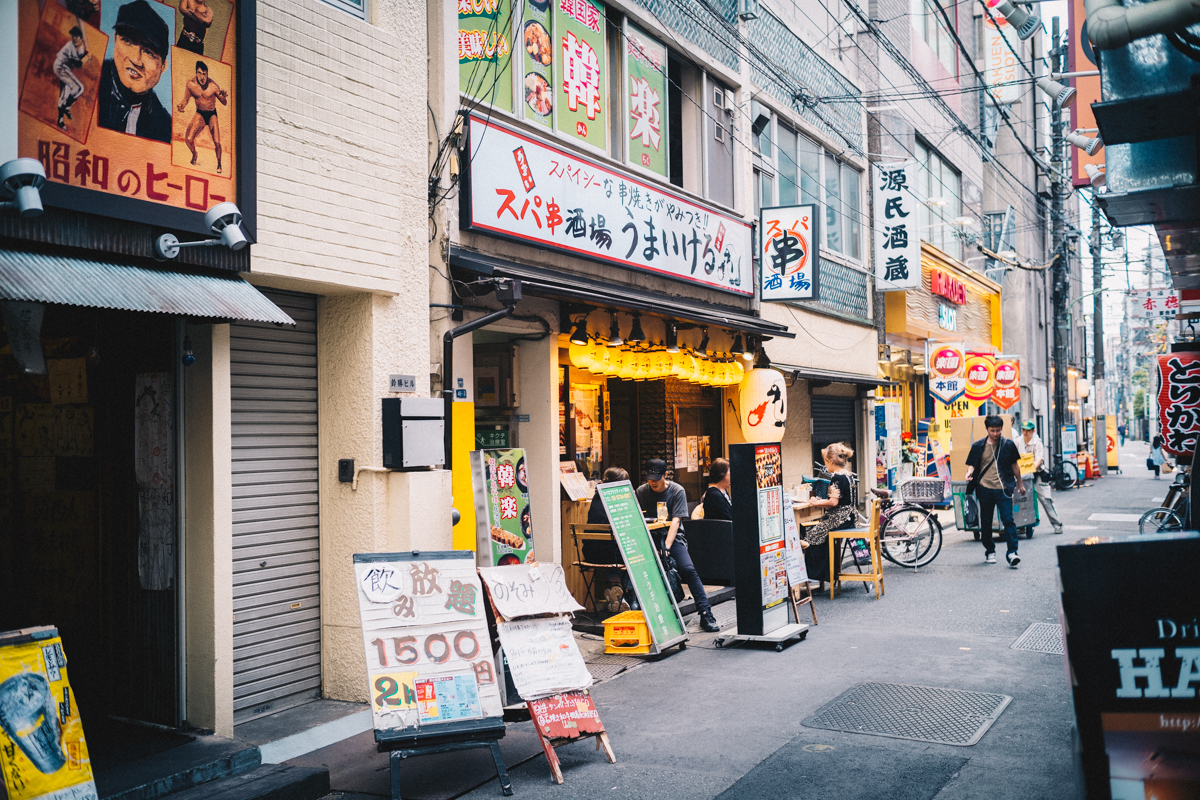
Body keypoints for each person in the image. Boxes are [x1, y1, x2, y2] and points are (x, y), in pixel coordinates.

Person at [635, 458, 719, 632]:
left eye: (656, 478)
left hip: (671, 537)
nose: (652, 482)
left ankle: (705, 613)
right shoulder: (641, 491)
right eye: (649, 478)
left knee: (688, 569)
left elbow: (676, 521)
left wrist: (666, 547)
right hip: (649, 538)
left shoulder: (676, 491)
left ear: (665, 475)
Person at [97, 0, 171, 142]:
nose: (136, 60)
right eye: (127, 42)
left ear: (163, 67)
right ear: (115, 40)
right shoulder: (89, 85)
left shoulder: (164, 126)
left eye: (149, 52)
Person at [965, 416, 1027, 567]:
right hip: (984, 488)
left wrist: (1020, 484)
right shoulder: (978, 446)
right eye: (992, 430)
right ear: (987, 430)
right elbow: (972, 464)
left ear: (1002, 429)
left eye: (998, 430)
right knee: (985, 522)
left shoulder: (1009, 445)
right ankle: (990, 551)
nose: (995, 433)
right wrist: (969, 472)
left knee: (1008, 520)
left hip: (1003, 489)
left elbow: (1015, 466)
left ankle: (1012, 553)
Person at [803, 443, 858, 589]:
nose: (825, 465)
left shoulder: (836, 477)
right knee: (821, 533)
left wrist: (816, 502)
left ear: (831, 461)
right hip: (850, 518)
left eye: (825, 461)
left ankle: (815, 576)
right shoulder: (848, 475)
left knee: (811, 535)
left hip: (839, 518)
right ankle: (827, 574)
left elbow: (833, 502)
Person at [585, 466, 634, 612]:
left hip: (590, 553)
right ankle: (624, 591)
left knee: (617, 550)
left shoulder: (597, 497)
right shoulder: (616, 499)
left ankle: (616, 592)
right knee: (639, 554)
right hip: (610, 554)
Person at [177, 61, 228, 172]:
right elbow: (186, 99)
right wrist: (181, 105)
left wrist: (224, 97)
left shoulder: (213, 86)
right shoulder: (190, 84)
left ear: (207, 74)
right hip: (200, 113)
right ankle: (194, 154)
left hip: (211, 114)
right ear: (196, 73)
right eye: (200, 73)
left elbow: (224, 102)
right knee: (188, 139)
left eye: (204, 74)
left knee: (217, 141)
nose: (202, 77)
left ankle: (219, 164)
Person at [1013, 420, 1063, 534]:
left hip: (1037, 474)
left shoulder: (1037, 443)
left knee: (1046, 499)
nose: (1025, 433)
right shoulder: (1017, 441)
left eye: (1028, 430)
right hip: (1021, 475)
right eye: (1024, 430)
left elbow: (1039, 459)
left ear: (1033, 431)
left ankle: (1057, 524)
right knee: (1020, 500)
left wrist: (1030, 469)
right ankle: (1021, 525)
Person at [54, 27, 91, 130]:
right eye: (74, 36)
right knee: (75, 89)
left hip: (66, 69)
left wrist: (85, 55)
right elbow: (78, 63)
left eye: (77, 36)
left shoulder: (79, 48)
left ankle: (66, 108)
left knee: (78, 89)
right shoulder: (69, 46)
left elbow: (80, 59)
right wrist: (86, 57)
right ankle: (61, 118)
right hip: (60, 67)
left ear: (81, 38)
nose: (75, 38)